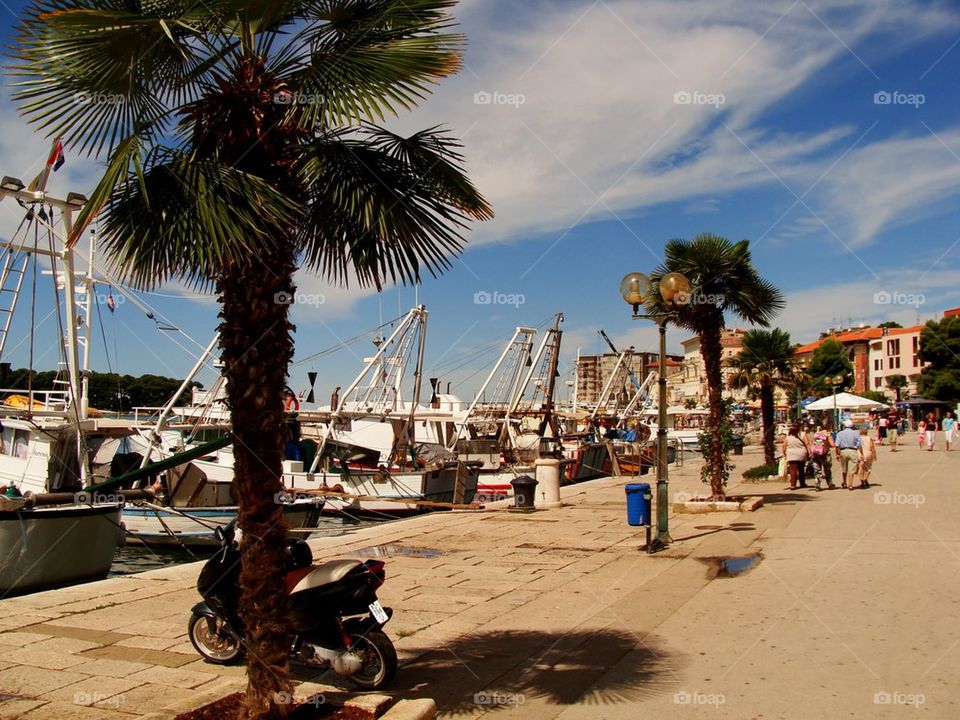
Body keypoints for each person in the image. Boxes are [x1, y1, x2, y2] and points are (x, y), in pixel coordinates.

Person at [809, 423, 836, 490]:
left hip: (816, 454)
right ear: (828, 428)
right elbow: (832, 444)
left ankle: (817, 485)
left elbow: (814, 444)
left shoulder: (816, 434)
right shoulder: (828, 434)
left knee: (817, 470)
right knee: (827, 470)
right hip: (825, 454)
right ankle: (830, 484)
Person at [835, 419, 861, 489]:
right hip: (853, 451)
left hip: (843, 451)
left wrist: (837, 454)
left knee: (844, 468)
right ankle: (851, 484)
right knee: (852, 469)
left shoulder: (840, 433)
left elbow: (837, 445)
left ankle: (844, 482)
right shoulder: (856, 433)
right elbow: (859, 444)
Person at [781, 425, 808, 490]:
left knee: (793, 470)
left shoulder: (788, 438)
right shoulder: (803, 435)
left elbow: (784, 446)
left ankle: (793, 485)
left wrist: (784, 454)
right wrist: (809, 452)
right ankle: (802, 483)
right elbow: (807, 444)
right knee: (801, 469)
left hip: (791, 455)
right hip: (802, 454)